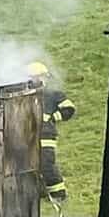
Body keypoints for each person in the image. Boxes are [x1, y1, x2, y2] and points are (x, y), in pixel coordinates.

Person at [28, 60, 75, 206]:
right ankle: (39, 193)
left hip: (46, 136)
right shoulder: (25, 96)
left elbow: (69, 109)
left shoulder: (53, 94)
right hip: (27, 138)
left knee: (46, 165)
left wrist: (53, 118)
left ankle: (59, 195)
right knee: (28, 166)